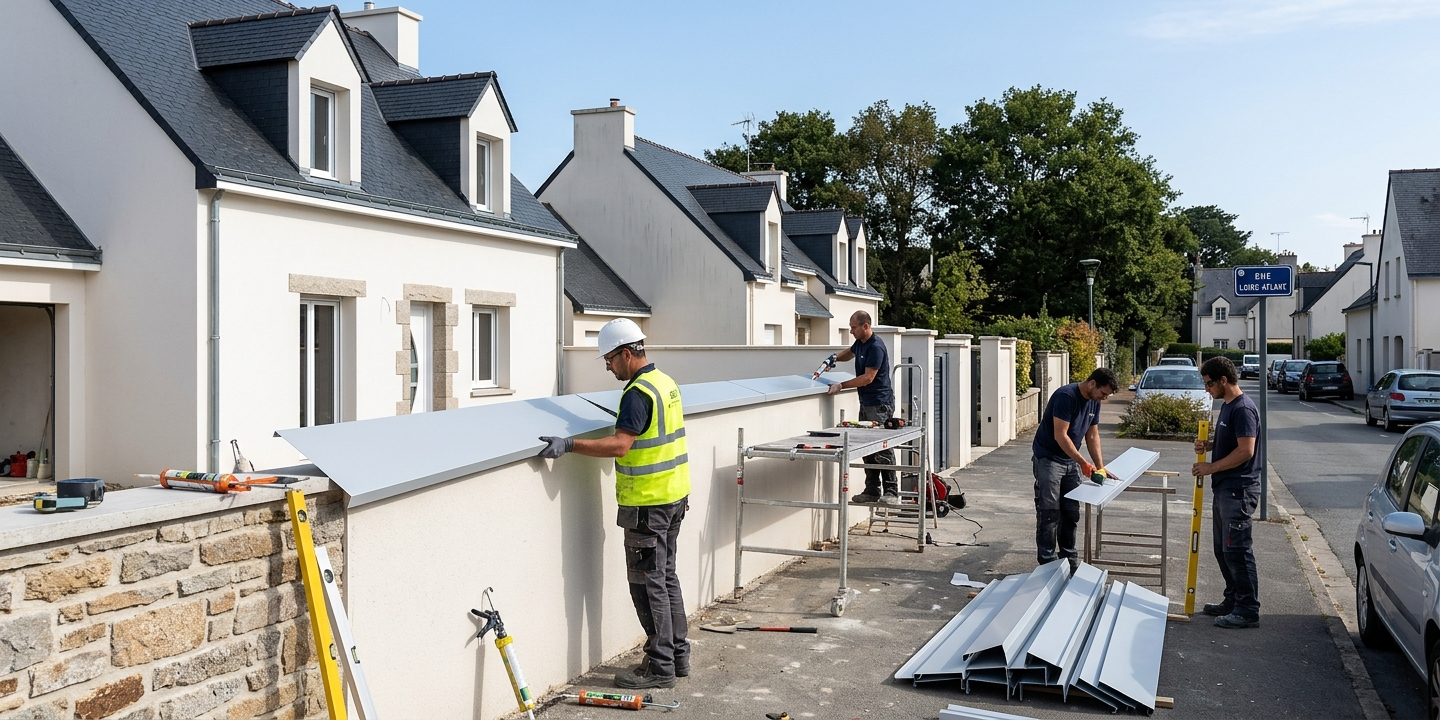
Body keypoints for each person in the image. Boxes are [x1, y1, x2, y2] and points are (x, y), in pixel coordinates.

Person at [537, 318, 690, 688]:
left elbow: (621, 445)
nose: (607, 366)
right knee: (666, 578)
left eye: (609, 359)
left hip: (647, 507)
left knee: (648, 583)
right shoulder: (665, 383)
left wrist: (570, 444)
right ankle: (677, 656)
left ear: (625, 353)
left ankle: (660, 667)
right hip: (673, 497)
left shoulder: (637, 393)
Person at [1192, 356, 1261, 629]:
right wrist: (1209, 445)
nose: (1207, 389)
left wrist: (1210, 467)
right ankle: (1233, 599)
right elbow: (1233, 443)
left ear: (1223, 380)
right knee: (1223, 550)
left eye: (1209, 384)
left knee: (1237, 550)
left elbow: (1246, 451)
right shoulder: (1228, 406)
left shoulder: (1243, 409)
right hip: (1225, 489)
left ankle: (1247, 609)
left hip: (1238, 490)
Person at [1031, 367, 1119, 570]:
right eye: (1103, 393)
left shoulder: (1094, 402)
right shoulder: (1066, 396)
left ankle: (1069, 562)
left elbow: (1092, 435)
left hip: (1070, 461)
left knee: (1071, 512)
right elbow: (1060, 435)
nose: (1103, 399)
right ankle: (1047, 564)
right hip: (1049, 458)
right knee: (1049, 511)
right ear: (1092, 383)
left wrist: (1100, 467)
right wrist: (1082, 462)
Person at [823, 311, 898, 504]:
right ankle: (872, 490)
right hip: (866, 402)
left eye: (854, 327)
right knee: (868, 449)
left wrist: (841, 385)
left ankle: (891, 492)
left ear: (865, 326)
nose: (851, 330)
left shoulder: (876, 347)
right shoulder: (861, 343)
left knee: (883, 448)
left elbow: (868, 378)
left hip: (880, 404)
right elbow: (850, 352)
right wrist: (835, 359)